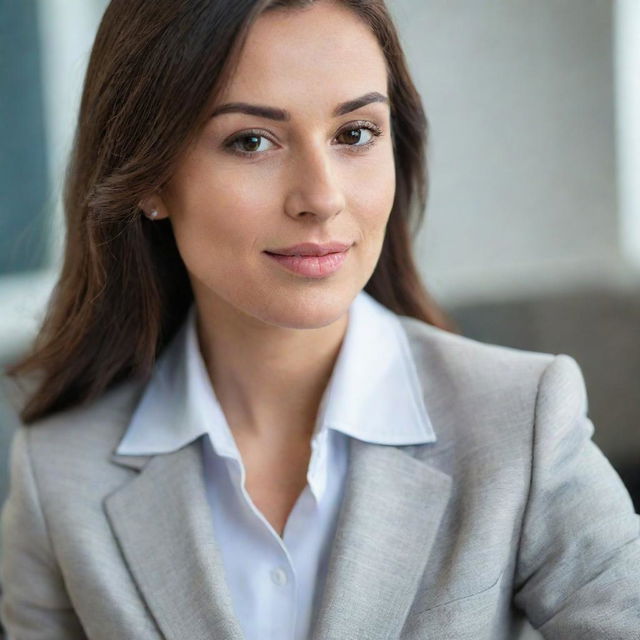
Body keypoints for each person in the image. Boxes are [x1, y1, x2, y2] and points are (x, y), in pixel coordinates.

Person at [1, 0, 638, 638]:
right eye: (251, 141)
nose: (322, 198)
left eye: (355, 133)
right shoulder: (60, 471)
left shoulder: (521, 422)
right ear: (149, 178)